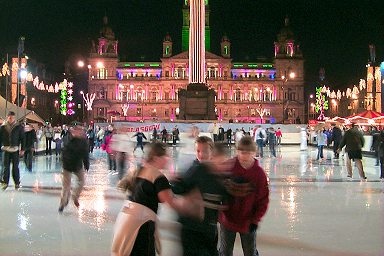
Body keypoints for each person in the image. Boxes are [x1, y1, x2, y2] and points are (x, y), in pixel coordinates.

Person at [112, 142, 203, 256]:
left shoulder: (139, 169)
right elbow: (171, 202)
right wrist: (192, 204)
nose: (168, 159)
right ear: (156, 158)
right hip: (141, 224)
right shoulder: (158, 177)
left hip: (125, 220)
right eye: (166, 156)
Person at [171, 136, 228, 256]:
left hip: (209, 226)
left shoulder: (219, 173)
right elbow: (180, 188)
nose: (201, 155)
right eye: (198, 151)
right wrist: (173, 182)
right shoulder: (196, 169)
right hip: (193, 226)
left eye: (205, 151)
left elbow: (225, 197)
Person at [219, 136, 269, 256]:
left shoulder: (259, 174)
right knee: (225, 251)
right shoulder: (228, 167)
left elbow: (263, 200)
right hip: (227, 219)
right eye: (242, 152)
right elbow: (218, 189)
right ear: (237, 151)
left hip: (248, 220)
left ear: (254, 153)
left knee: (249, 251)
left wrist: (255, 220)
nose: (245, 156)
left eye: (248, 153)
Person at [58, 125, 89, 212]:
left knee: (81, 182)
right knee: (66, 186)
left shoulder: (83, 141)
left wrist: (86, 164)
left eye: (81, 130)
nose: (79, 132)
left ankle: (75, 196)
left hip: (77, 165)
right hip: (67, 165)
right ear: (72, 131)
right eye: (77, 130)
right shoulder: (67, 138)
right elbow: (64, 152)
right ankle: (63, 203)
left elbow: (85, 153)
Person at [0, 111, 25, 190]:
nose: (11, 119)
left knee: (15, 167)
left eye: (13, 117)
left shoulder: (19, 127)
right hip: (6, 149)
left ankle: (17, 182)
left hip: (15, 150)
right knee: (5, 167)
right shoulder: (2, 127)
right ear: (7, 117)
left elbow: (23, 138)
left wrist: (23, 149)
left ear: (15, 118)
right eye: (10, 117)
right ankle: (5, 182)